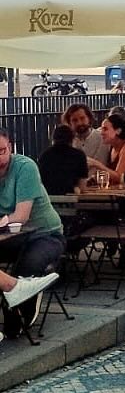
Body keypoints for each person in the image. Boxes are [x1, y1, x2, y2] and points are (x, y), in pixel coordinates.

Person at [0, 128, 66, 339]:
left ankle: (21, 312)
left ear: (9, 146)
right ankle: (17, 290)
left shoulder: (24, 167)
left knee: (27, 265)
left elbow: (21, 215)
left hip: (45, 234)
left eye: (1, 150)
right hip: (9, 237)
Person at [37, 125, 88, 196]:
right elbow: (82, 187)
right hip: (71, 199)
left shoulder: (45, 155)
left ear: (53, 139)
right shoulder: (79, 155)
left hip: (49, 198)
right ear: (72, 139)